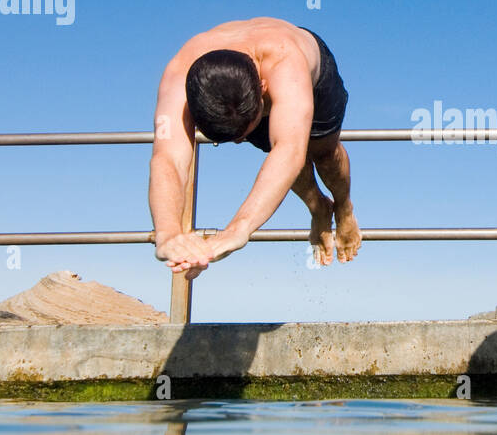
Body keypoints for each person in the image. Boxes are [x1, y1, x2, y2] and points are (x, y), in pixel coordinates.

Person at [149, 18, 360, 279]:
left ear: (262, 88)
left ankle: (344, 207)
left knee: (322, 154)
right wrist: (168, 233)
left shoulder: (284, 59)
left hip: (314, 78)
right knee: (283, 157)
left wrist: (238, 229)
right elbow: (167, 158)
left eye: (242, 135)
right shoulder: (178, 74)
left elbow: (289, 151)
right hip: (249, 99)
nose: (239, 142)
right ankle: (318, 208)